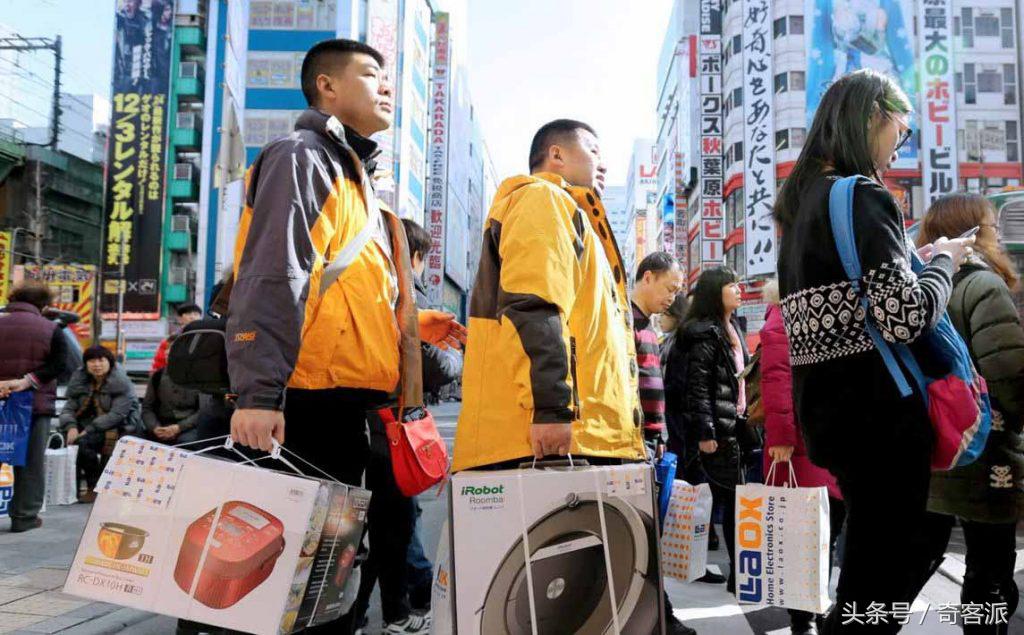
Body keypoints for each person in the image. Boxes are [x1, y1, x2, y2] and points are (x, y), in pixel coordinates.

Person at [224, 39, 463, 635]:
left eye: (387, 76)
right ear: (327, 87)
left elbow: (344, 291)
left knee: (328, 579)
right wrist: (258, 394)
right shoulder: (301, 156)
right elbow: (273, 275)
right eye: (371, 73)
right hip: (308, 402)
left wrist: (413, 327)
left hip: (347, 402)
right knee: (298, 581)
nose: (386, 85)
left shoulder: (353, 177)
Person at [774, 69, 974, 633]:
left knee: (865, 568)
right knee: (887, 572)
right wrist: (943, 264)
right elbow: (904, 316)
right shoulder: (863, 196)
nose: (896, 148)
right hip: (882, 417)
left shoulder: (800, 206)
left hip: (829, 416)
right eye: (898, 132)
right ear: (870, 119)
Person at [452, 118, 644, 470]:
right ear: (556, 154)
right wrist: (552, 409)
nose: (603, 164)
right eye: (593, 150)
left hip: (568, 437)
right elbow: (533, 306)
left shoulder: (570, 214)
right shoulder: (544, 199)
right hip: (545, 441)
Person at [917, 193, 1024, 635]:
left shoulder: (924, 285)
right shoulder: (983, 286)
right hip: (987, 452)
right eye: (991, 228)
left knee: (915, 559)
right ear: (975, 233)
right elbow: (1009, 373)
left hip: (932, 448)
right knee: (990, 572)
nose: (996, 236)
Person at [352, 219, 462, 634]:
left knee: (366, 526)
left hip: (351, 421)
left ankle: (361, 613)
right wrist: (455, 355)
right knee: (393, 526)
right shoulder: (404, 295)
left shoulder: (357, 285)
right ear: (412, 255)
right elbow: (435, 366)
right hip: (391, 429)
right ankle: (395, 615)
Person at [760, 278, 845, 635]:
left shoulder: (803, 316)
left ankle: (815, 607)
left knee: (822, 532)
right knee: (807, 536)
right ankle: (803, 617)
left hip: (820, 442)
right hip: (798, 448)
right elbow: (776, 381)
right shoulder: (780, 322)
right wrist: (782, 438)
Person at [674, 266, 748, 595]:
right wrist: (705, 433)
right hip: (715, 431)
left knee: (732, 500)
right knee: (731, 500)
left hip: (730, 426)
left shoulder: (730, 327)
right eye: (732, 284)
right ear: (715, 291)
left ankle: (736, 573)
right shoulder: (705, 331)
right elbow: (698, 386)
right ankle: (737, 574)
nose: (739, 289)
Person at [0, 282, 69, 532]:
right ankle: (24, 517)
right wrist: (27, 381)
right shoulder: (51, 329)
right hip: (33, 406)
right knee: (30, 463)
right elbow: (61, 365)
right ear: (42, 305)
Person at [59, 346, 140, 503]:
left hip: (121, 427)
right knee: (72, 440)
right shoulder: (81, 381)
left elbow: (117, 415)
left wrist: (88, 429)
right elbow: (68, 409)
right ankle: (75, 489)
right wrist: (71, 426)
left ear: (109, 362)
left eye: (101, 360)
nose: (96, 364)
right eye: (92, 361)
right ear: (86, 364)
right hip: (92, 427)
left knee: (83, 442)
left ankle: (96, 487)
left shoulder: (121, 383)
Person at [141, 366, 204, 445]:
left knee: (186, 443)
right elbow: (147, 408)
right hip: (161, 424)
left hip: (189, 427)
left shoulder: (200, 378)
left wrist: (179, 427)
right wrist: (155, 427)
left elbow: (203, 410)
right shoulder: (157, 376)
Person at [151, 303, 203, 373]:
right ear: (180, 319)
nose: (192, 317)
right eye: (188, 314)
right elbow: (159, 363)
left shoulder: (206, 336)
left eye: (196, 314)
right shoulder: (171, 339)